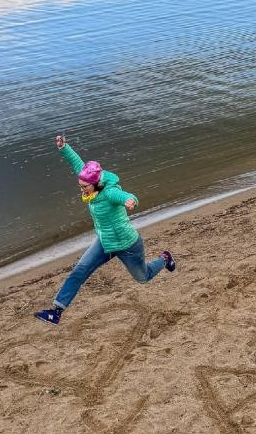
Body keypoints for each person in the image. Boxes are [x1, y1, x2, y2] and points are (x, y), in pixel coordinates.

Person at [35, 134, 176, 324]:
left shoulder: (110, 192)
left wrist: (130, 201)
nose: (82, 189)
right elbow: (77, 164)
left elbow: (126, 195)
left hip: (127, 244)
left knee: (143, 277)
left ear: (95, 184)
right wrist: (64, 147)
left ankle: (165, 258)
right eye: (81, 185)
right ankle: (56, 312)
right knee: (80, 270)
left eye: (84, 187)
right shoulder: (90, 181)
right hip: (105, 242)